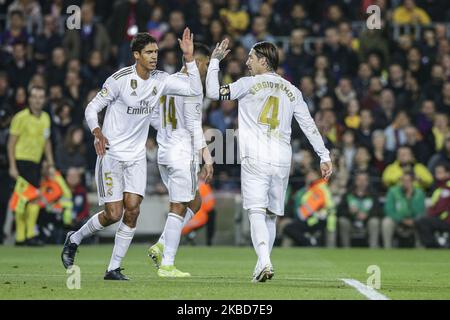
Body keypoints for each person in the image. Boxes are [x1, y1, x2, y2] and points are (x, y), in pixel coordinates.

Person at [61, 29, 202, 281]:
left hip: (136, 157)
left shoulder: (161, 79)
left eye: (156, 52)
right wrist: (96, 132)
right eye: (148, 52)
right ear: (136, 54)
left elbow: (193, 89)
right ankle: (75, 238)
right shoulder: (119, 79)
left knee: (133, 209)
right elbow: (92, 107)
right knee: (113, 214)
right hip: (111, 154)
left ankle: (113, 268)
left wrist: (189, 58)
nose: (154, 56)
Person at [206, 39, 332, 282]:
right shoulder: (292, 90)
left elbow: (213, 92)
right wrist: (324, 155)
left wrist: (214, 62)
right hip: (282, 158)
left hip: (256, 155)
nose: (247, 62)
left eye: (251, 58)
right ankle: (261, 265)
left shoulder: (247, 84)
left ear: (264, 61)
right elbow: (308, 125)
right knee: (272, 214)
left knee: (255, 210)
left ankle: (265, 261)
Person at [147, 43, 214, 278]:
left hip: (164, 153)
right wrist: (207, 156)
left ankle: (162, 243)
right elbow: (195, 126)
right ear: (199, 62)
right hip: (181, 153)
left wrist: (165, 130)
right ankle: (167, 264)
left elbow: (153, 113)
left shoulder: (167, 81)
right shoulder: (193, 87)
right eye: (205, 63)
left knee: (195, 202)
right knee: (178, 206)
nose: (205, 69)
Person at [7, 85, 55, 246]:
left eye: (40, 97)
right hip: (21, 162)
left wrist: (50, 162)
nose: (37, 100)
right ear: (29, 99)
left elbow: (47, 142)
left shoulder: (46, 118)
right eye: (34, 97)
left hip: (36, 163)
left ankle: (29, 235)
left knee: (34, 199)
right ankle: (21, 237)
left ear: (44, 99)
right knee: (22, 200)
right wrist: (12, 166)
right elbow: (11, 143)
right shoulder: (20, 117)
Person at [337, 171, 382, 248]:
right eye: (359, 180)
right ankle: (345, 249)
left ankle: (373, 248)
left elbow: (379, 211)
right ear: (355, 181)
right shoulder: (348, 194)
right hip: (351, 221)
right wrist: (349, 212)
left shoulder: (373, 194)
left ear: (367, 182)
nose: (362, 182)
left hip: (367, 223)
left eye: (364, 180)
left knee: (374, 222)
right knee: (342, 221)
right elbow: (340, 211)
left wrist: (367, 215)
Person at [382, 172, 426, 248]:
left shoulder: (419, 193)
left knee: (422, 221)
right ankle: (387, 247)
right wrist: (401, 219)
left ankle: (420, 247)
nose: (405, 183)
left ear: (412, 182)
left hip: (413, 221)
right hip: (397, 220)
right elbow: (389, 210)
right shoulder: (393, 191)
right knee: (387, 221)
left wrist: (410, 199)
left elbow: (420, 211)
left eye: (408, 181)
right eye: (403, 181)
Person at [416, 164, 450, 248]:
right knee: (421, 219)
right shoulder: (439, 188)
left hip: (446, 219)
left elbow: (442, 207)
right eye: (436, 172)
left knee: (422, 221)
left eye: (440, 172)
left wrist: (432, 213)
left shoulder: (446, 187)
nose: (437, 175)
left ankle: (433, 245)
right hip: (441, 218)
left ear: (448, 174)